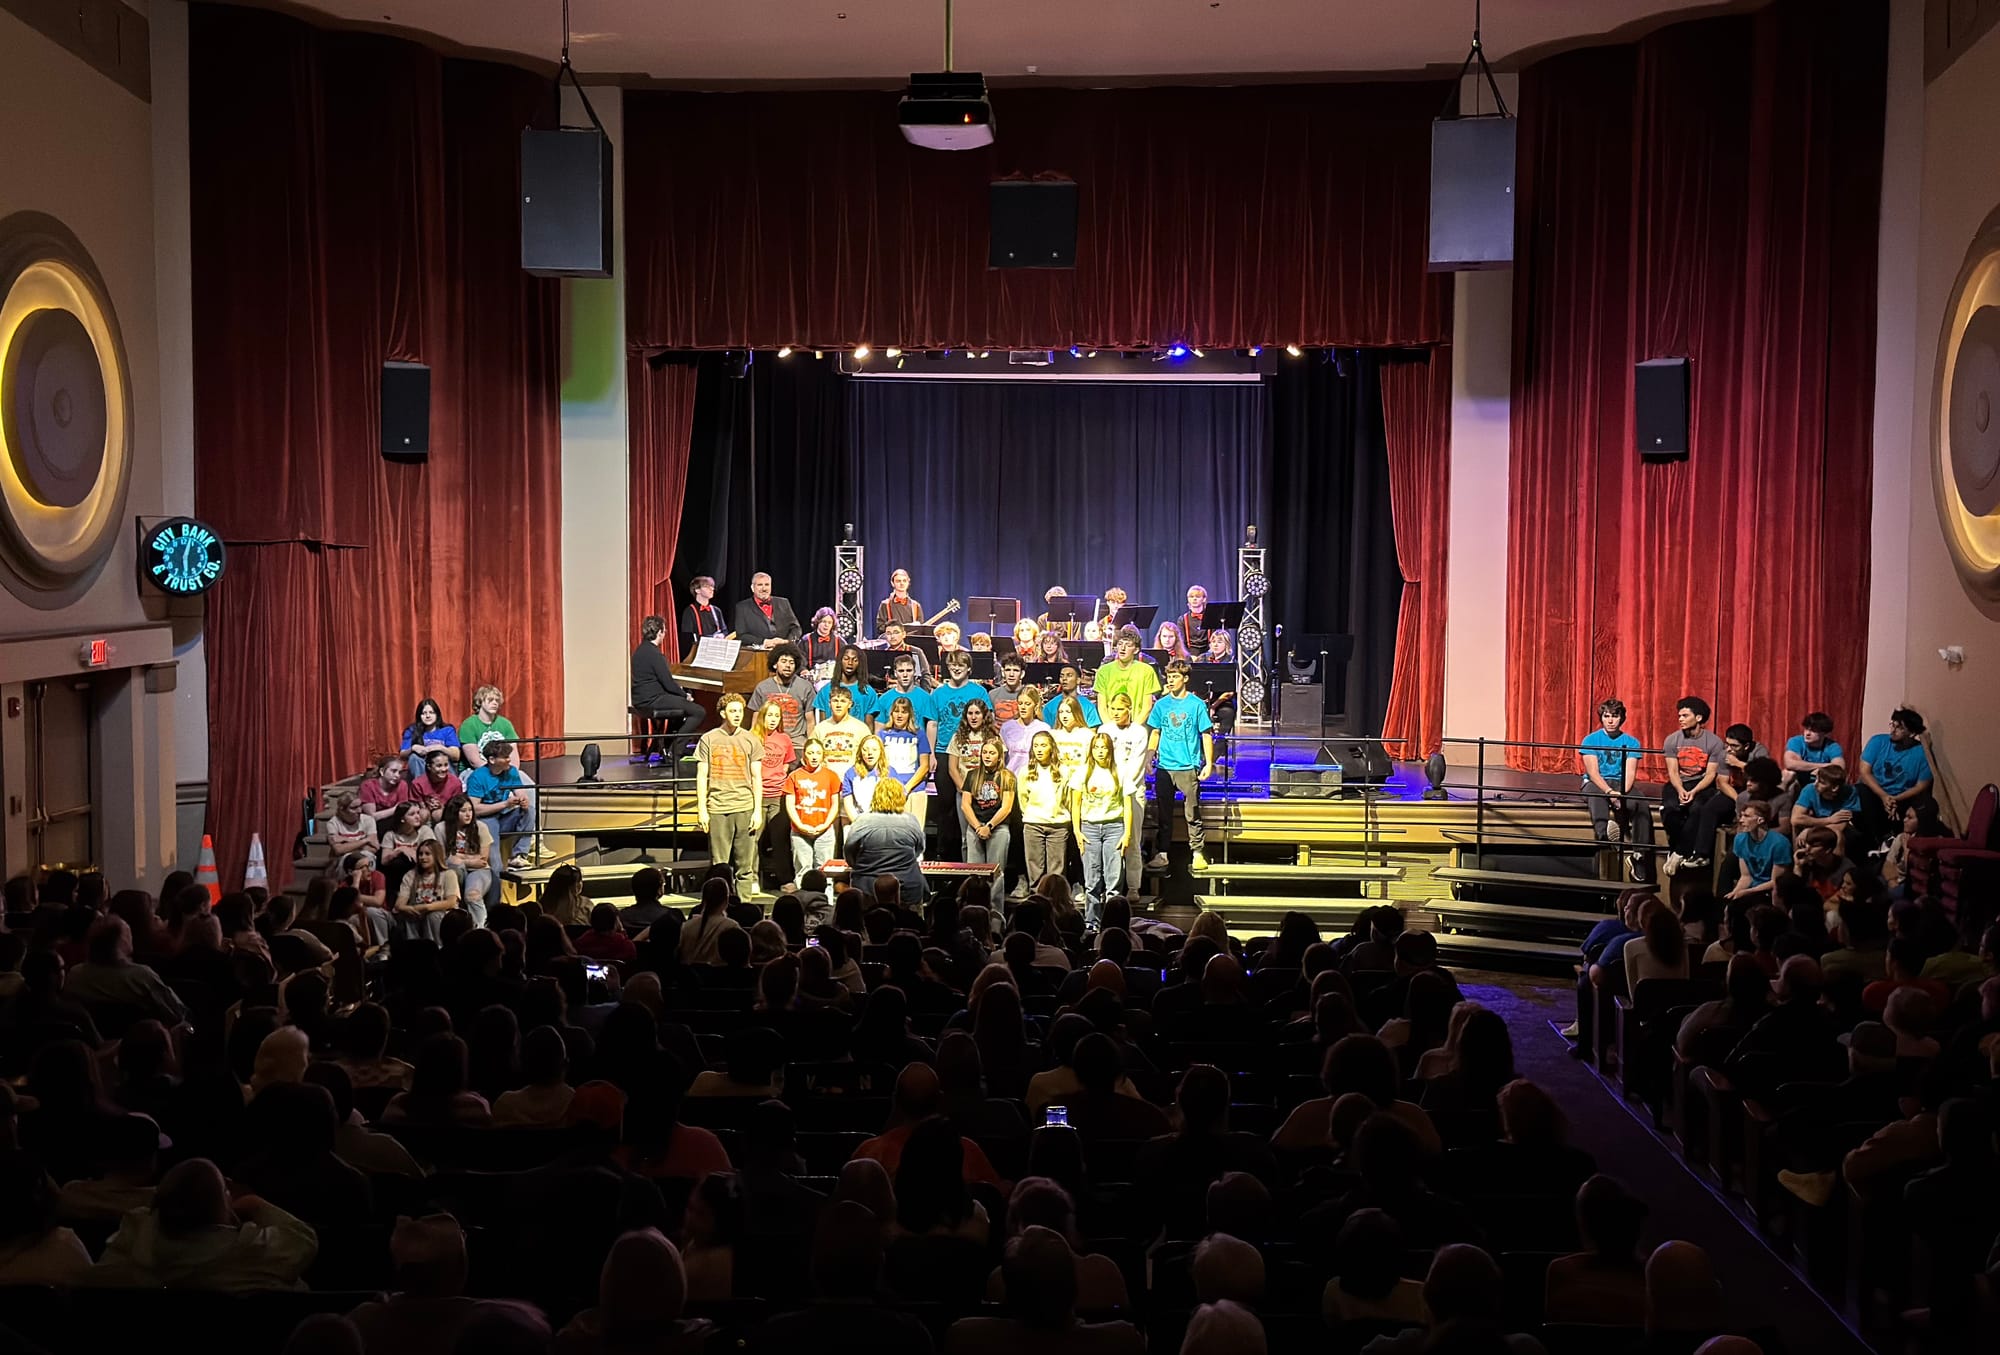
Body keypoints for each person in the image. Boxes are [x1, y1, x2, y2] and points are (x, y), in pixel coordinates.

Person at [93, 1158, 319, 1292]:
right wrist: (254, 1204)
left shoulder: (136, 1244)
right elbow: (303, 1239)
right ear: (223, 1208)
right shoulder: (252, 1250)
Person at [1147, 659, 1215, 872]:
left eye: (1175, 676)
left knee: (1192, 813)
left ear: (1185, 678)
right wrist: (1149, 757)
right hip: (1165, 767)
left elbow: (1206, 734)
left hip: (1188, 766)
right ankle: (1162, 853)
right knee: (1163, 813)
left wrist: (1209, 763)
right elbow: (1155, 732)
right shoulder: (1161, 705)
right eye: (1169, 677)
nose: (1171, 680)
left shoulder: (1196, 704)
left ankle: (1197, 852)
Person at [697, 693, 764, 893]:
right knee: (719, 866)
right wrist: (702, 810)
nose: (737, 715)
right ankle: (720, 905)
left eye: (740, 711)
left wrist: (757, 811)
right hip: (718, 807)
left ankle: (744, 904)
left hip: (744, 807)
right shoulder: (708, 738)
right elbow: (701, 776)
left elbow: (757, 777)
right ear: (723, 713)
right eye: (733, 711)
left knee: (745, 867)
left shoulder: (751, 739)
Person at [932, 651, 993, 859]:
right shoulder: (938, 693)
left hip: (973, 754)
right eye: (952, 665)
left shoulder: (979, 691)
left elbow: (989, 719)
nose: (956, 668)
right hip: (944, 752)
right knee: (946, 807)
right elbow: (933, 723)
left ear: (969, 669)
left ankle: (973, 854)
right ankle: (946, 856)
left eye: (961, 665)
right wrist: (932, 753)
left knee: (973, 804)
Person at [1660, 695, 1730, 872]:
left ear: (1698, 718)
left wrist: (1694, 792)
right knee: (1670, 809)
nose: (1680, 719)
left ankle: (1678, 853)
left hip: (1702, 783)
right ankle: (1677, 849)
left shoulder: (1714, 742)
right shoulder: (1672, 740)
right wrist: (1680, 789)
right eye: (1679, 716)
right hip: (1679, 782)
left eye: (1685, 716)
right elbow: (1673, 771)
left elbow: (1711, 774)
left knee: (1697, 808)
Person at [1072, 732, 1131, 927]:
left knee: (1114, 879)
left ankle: (1114, 923)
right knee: (1092, 880)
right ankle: (1091, 922)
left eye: (1103, 747)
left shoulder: (1120, 771)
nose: (1100, 751)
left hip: (1114, 826)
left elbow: (1128, 805)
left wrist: (1127, 833)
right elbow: (1075, 804)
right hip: (1089, 828)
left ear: (1109, 750)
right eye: (1096, 747)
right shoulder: (1083, 771)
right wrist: (1077, 831)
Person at [1580, 698, 1649, 862]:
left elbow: (1630, 773)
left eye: (1615, 716)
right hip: (1596, 782)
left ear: (1621, 718)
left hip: (1620, 783)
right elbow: (1593, 773)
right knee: (1597, 796)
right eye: (1606, 716)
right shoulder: (1590, 740)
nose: (1610, 720)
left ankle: (1640, 854)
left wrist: (1621, 793)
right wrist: (1610, 792)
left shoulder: (1632, 742)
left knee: (1640, 803)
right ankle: (1605, 837)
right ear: (1602, 718)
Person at [632, 614, 706, 761]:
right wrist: (685, 695)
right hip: (653, 700)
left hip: (642, 699)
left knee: (679, 709)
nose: (665, 634)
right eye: (664, 631)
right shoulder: (655, 654)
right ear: (659, 632)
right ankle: (675, 750)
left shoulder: (640, 650)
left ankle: (667, 747)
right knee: (699, 712)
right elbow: (668, 683)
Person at [1857, 708, 1934, 846]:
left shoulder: (1921, 753)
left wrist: (1894, 799)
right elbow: (1864, 771)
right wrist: (1884, 796)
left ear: (1912, 733)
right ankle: (1876, 840)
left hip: (1901, 798)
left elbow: (1921, 786)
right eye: (1892, 724)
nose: (1893, 730)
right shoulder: (1878, 741)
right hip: (1876, 792)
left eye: (1900, 728)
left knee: (1920, 806)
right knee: (1860, 792)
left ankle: (1888, 839)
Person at [847, 780, 929, 901]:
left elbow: (849, 851)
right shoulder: (911, 821)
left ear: (876, 796)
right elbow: (919, 849)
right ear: (901, 797)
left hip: (866, 888)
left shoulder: (861, 821)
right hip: (907, 887)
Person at [463, 740, 535, 872]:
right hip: (485, 819)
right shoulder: (477, 777)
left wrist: (523, 800)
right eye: (505, 757)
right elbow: (474, 809)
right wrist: (505, 804)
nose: (509, 760)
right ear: (492, 760)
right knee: (495, 862)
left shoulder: (511, 771)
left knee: (529, 811)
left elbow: (520, 792)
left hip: (503, 816)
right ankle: (497, 878)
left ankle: (519, 855)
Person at [786, 738, 844, 883]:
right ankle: (803, 897)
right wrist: (800, 825)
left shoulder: (831, 776)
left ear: (822, 755)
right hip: (800, 832)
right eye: (810, 753)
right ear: (804, 755)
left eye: (818, 753)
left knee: (825, 872)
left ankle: (825, 898)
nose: (814, 756)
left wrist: (825, 825)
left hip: (824, 831)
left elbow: (835, 804)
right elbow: (790, 804)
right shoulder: (794, 776)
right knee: (802, 871)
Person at [1019, 731, 1070, 888]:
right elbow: (1023, 799)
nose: (1039, 749)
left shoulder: (1063, 771)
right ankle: (1037, 896)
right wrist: (1031, 814)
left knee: (1056, 871)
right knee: (1035, 868)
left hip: (1058, 825)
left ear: (1051, 748)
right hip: (1033, 823)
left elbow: (1068, 798)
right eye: (1036, 746)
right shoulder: (1026, 771)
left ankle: (1056, 898)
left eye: (1043, 745)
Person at [961, 735, 1017, 877]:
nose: (987, 756)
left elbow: (1006, 807)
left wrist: (989, 826)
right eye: (985, 752)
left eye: (992, 753)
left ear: (999, 757)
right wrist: (978, 827)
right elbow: (965, 805)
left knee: (996, 872)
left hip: (998, 827)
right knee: (974, 873)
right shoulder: (972, 775)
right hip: (975, 826)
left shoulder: (1007, 776)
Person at [878, 692, 936, 825]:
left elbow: (924, 766)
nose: (899, 715)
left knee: (914, 830)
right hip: (889, 790)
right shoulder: (882, 735)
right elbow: (879, 764)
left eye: (904, 712)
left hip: (914, 790)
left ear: (910, 714)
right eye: (896, 711)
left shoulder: (919, 735)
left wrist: (906, 789)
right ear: (891, 713)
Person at [437, 792, 495, 923]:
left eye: (470, 810)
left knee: (472, 895)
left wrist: (460, 858)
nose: (468, 814)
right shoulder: (441, 828)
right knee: (455, 866)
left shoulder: (481, 827)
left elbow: (482, 860)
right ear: (454, 813)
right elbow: (443, 858)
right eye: (463, 811)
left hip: (479, 870)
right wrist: (469, 860)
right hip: (453, 870)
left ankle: (481, 929)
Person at [393, 839, 462, 942]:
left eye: (427, 854)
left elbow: (451, 902)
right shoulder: (410, 875)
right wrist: (408, 908)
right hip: (417, 913)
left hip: (441, 916)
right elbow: (399, 904)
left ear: (436, 855)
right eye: (420, 854)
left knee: (432, 916)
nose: (422, 857)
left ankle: (436, 947)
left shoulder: (448, 874)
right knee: (408, 915)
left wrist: (427, 907)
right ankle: (412, 946)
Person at [750, 641, 817, 745]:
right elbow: (756, 722)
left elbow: (810, 721)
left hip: (797, 742)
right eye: (784, 661)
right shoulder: (762, 688)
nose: (788, 665)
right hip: (769, 742)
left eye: (791, 662)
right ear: (775, 664)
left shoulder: (806, 687)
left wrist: (811, 745)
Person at [1093, 626, 1161, 726]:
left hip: (1137, 725)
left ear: (1136, 650)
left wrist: (1133, 729)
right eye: (1120, 644)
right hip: (1111, 725)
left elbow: (1147, 707)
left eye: (1128, 645)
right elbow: (1102, 707)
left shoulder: (1147, 671)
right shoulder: (1104, 671)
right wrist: (1110, 727)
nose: (1123, 648)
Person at [1727, 800, 1791, 900]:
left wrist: (1748, 892)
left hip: (1770, 892)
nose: (1741, 820)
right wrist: (1735, 893)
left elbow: (1775, 882)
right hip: (1751, 889)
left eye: (1746, 816)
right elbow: (1746, 876)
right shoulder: (1740, 839)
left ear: (1760, 820)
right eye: (1741, 816)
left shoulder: (1780, 843)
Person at [814, 684, 872, 784]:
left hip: (852, 780)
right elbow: (811, 752)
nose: (838, 705)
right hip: (826, 780)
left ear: (850, 704)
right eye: (835, 701)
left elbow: (870, 753)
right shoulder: (820, 728)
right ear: (829, 704)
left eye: (843, 701)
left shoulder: (861, 728)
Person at [458, 684, 522, 770]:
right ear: (480, 702)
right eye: (490, 700)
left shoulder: (505, 724)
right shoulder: (468, 725)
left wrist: (512, 771)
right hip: (474, 770)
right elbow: (474, 761)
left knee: (524, 778)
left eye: (497, 700)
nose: (495, 703)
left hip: (503, 770)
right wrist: (495, 772)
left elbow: (514, 756)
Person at [733, 571, 804, 647]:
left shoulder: (784, 602)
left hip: (784, 650)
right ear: (752, 588)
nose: (764, 588)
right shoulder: (742, 607)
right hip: (759, 651)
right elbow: (742, 635)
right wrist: (764, 642)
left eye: (767, 584)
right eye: (760, 585)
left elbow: (796, 628)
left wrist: (787, 642)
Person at [400, 697, 462, 774]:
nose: (428, 716)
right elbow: (402, 755)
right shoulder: (412, 730)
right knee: (414, 758)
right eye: (424, 713)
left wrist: (440, 748)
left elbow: (456, 756)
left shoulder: (447, 730)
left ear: (437, 714)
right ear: (419, 716)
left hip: (443, 768)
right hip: (422, 767)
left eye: (431, 712)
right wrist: (413, 748)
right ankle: (421, 782)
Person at [407, 749, 464, 825]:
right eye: (439, 766)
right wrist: (426, 806)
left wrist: (442, 806)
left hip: (446, 816)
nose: (443, 769)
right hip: (424, 816)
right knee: (423, 814)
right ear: (429, 766)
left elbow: (457, 806)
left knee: (438, 814)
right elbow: (415, 805)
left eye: (446, 765)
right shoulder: (418, 783)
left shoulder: (455, 783)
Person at [844, 735, 890, 824]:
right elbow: (848, 803)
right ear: (860, 752)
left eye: (874, 749)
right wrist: (858, 824)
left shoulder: (890, 772)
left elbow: (897, 801)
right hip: (860, 822)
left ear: (881, 752)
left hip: (884, 823)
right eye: (865, 749)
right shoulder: (850, 773)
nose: (869, 753)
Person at [679, 574, 729, 656]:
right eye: (707, 587)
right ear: (697, 590)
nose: (712, 589)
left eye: (712, 586)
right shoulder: (689, 611)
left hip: (716, 651)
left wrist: (722, 635)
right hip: (698, 652)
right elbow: (688, 637)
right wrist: (711, 638)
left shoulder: (716, 610)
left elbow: (724, 630)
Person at [1051, 697, 1095, 780]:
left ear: (1076, 712)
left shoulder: (1087, 735)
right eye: (1061, 712)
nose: (1064, 716)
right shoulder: (1053, 735)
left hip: (1080, 780)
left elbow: (1091, 763)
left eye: (1068, 712)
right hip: (1058, 780)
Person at [877, 568, 924, 635]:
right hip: (892, 640)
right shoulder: (885, 604)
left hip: (911, 640)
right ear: (892, 583)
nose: (902, 583)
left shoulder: (916, 606)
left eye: (904, 581)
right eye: (898, 581)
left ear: (908, 583)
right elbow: (880, 628)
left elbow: (921, 630)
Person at [802, 606, 843, 671]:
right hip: (812, 674)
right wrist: (803, 670)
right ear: (818, 622)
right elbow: (799, 661)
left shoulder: (839, 641)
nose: (826, 625)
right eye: (824, 621)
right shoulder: (806, 640)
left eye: (829, 622)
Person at [1178, 584, 1213, 652]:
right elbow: (1181, 642)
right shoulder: (1182, 619)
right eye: (1191, 597)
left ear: (1204, 599)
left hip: (1208, 653)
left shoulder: (1211, 618)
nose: (1194, 599)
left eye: (1198, 596)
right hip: (1189, 653)